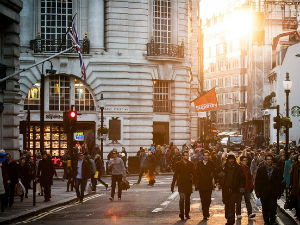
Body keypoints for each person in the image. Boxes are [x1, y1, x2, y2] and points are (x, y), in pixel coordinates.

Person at [255, 154, 282, 225]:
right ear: (265, 160)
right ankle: (266, 221)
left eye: (270, 159)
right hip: (264, 192)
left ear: (272, 161)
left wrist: (279, 192)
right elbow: (257, 181)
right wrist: (257, 191)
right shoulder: (260, 169)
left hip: (273, 192)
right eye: (267, 159)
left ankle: (272, 221)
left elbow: (279, 182)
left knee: (273, 207)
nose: (269, 161)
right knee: (265, 208)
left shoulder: (276, 170)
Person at [219, 154, 245, 225]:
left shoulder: (238, 168)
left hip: (234, 189)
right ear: (228, 159)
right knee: (226, 203)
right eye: (230, 159)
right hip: (225, 189)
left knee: (231, 204)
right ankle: (228, 217)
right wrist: (220, 181)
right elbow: (219, 176)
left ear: (234, 159)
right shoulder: (224, 167)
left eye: (232, 159)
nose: (231, 160)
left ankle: (231, 220)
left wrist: (241, 187)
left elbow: (242, 178)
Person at [171, 150, 195, 220]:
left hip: (188, 184)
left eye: (187, 155)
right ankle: (181, 213)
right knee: (182, 199)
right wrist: (172, 185)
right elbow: (175, 175)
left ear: (188, 156)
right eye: (184, 155)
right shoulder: (178, 164)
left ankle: (187, 214)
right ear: (182, 156)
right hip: (181, 184)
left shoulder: (191, 164)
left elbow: (194, 175)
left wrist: (196, 184)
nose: (186, 156)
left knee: (187, 200)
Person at [195, 150, 215, 220]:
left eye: (207, 155)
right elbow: (196, 174)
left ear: (209, 156)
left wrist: (214, 182)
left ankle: (206, 211)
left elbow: (214, 173)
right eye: (205, 155)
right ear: (202, 156)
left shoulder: (211, 163)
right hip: (201, 184)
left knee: (208, 200)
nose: (206, 157)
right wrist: (196, 184)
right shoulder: (199, 163)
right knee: (203, 200)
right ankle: (205, 214)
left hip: (209, 184)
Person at [290, 154, 300, 220]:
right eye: (299, 158)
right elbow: (291, 174)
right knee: (296, 201)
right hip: (296, 187)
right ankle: (298, 213)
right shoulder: (295, 165)